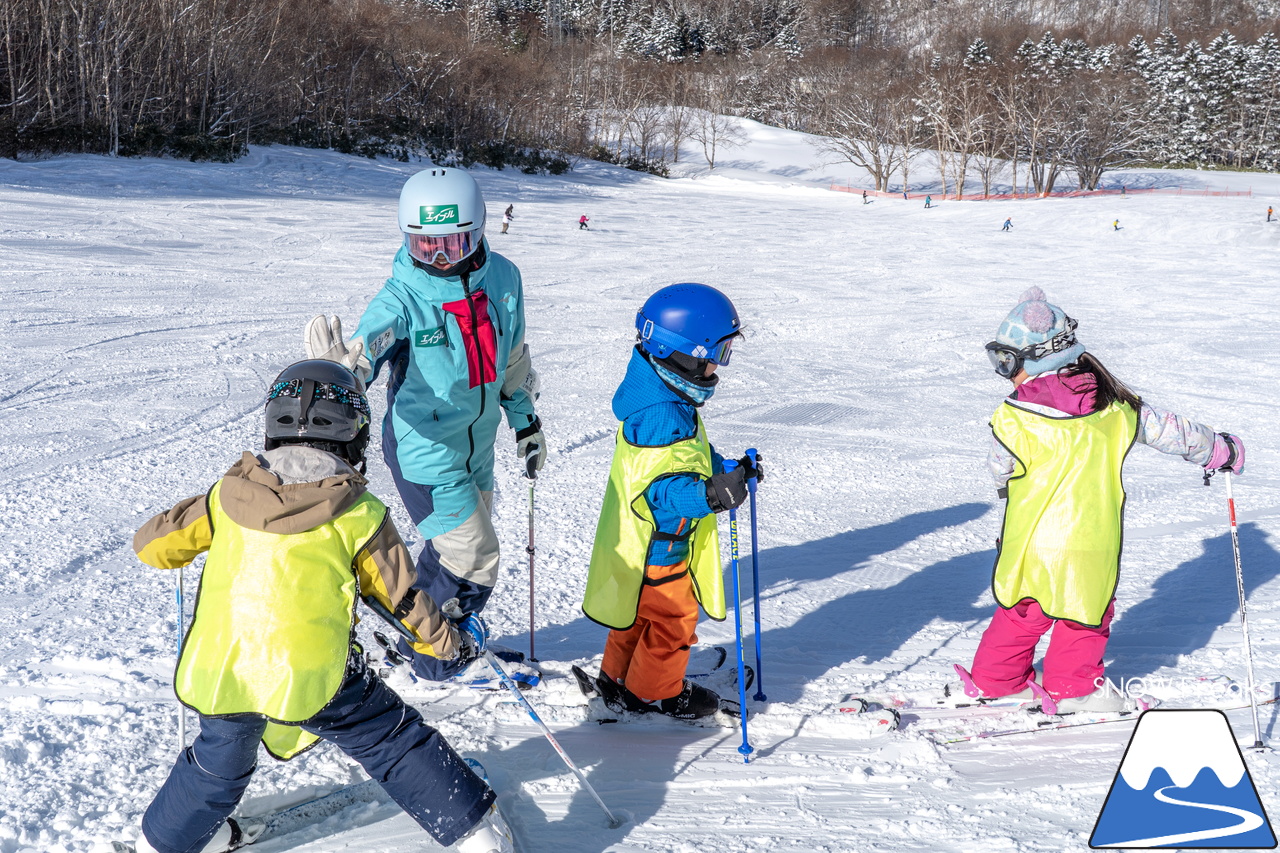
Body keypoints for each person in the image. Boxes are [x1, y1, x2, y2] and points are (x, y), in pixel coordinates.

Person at [128, 360, 514, 853]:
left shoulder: (226, 497)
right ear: (356, 434)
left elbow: (152, 545)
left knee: (219, 761)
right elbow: (402, 599)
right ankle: (474, 834)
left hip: (223, 664)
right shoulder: (358, 513)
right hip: (312, 669)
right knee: (387, 738)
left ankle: (162, 843)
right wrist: (448, 645)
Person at [947, 288, 1245, 715]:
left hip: (1025, 538)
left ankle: (997, 679)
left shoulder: (1012, 416)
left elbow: (1001, 469)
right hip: (1089, 538)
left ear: (1034, 357)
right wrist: (1219, 449)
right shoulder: (1118, 409)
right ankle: (1073, 687)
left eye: (1006, 362)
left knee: (1022, 607)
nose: (1005, 374)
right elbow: (1173, 431)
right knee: (1084, 610)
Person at [304, 166, 544, 688]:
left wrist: (526, 423)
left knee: (451, 546)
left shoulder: (504, 280)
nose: (439, 257)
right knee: (474, 556)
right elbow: (365, 351)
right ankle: (438, 658)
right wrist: (340, 374)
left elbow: (514, 360)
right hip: (424, 449)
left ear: (479, 232)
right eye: (425, 243)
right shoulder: (402, 299)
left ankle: (407, 630)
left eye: (453, 243)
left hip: (475, 445)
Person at [580, 283, 761, 721]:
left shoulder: (661, 396)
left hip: (637, 548)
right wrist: (712, 495)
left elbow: (689, 454)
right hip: (659, 547)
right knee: (673, 618)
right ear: (684, 352)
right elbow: (662, 492)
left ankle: (617, 677)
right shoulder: (664, 413)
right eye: (714, 355)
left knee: (638, 615)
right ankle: (655, 692)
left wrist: (724, 468)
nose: (716, 366)